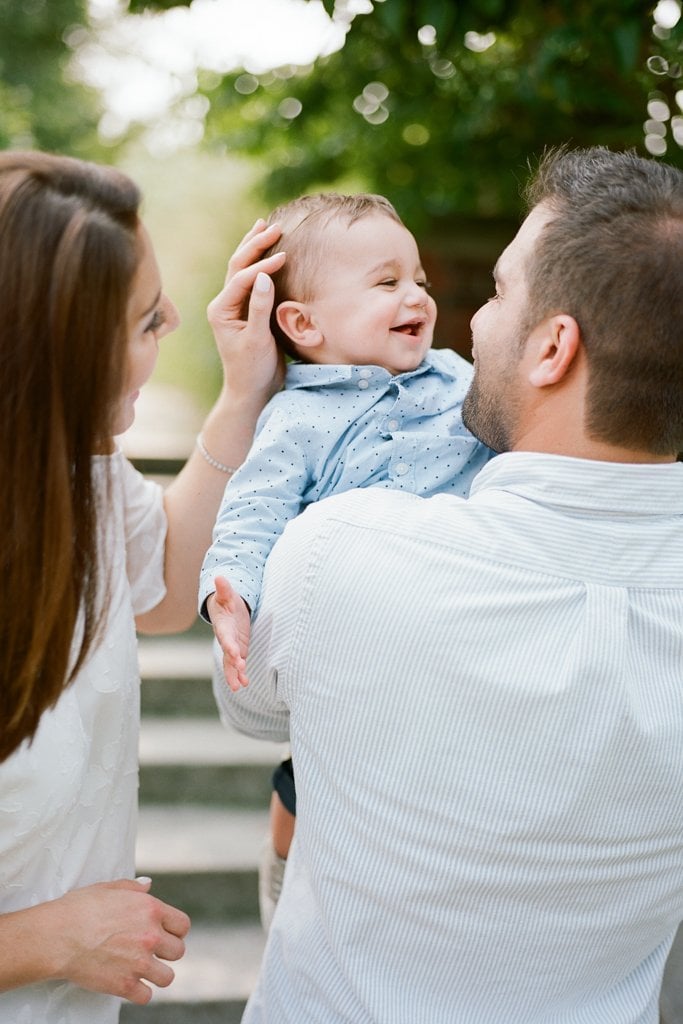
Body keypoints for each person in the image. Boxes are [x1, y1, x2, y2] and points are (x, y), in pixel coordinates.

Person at [209, 146, 683, 1023]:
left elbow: (249, 705)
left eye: (497, 293)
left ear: (552, 348)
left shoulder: (342, 550)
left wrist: (250, 394)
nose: (463, 319)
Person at [0, 149, 285, 1023]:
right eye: (144, 321)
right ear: (58, 348)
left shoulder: (77, 474)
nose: (170, 326)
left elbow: (162, 590)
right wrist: (47, 940)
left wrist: (242, 392)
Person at [198, 192, 493, 924]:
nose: (415, 296)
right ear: (302, 323)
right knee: (317, 770)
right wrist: (226, 598)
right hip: (351, 635)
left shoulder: (461, 382)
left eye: (417, 279)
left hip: (447, 615)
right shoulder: (295, 418)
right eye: (385, 282)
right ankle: (288, 859)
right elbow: (251, 513)